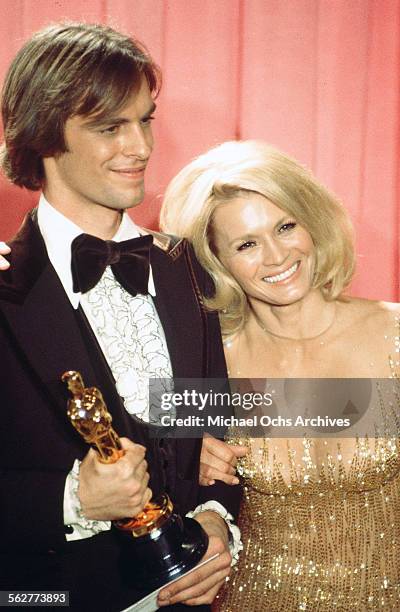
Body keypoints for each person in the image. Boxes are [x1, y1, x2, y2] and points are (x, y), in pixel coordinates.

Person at [0, 23, 242, 612]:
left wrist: (215, 522)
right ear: (43, 138)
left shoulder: (190, 269)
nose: (141, 147)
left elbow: (217, 432)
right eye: (110, 127)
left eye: (145, 119)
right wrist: (71, 500)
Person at [159, 140, 400, 610]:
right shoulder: (205, 363)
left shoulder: (394, 335)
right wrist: (185, 463)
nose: (276, 256)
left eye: (286, 226)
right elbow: (129, 474)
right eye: (246, 244)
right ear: (216, 261)